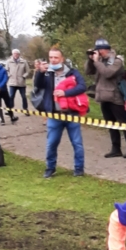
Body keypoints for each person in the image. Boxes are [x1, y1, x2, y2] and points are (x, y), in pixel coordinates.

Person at [32, 48, 86, 177]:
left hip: (72, 114)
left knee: (77, 144)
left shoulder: (72, 72)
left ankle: (79, 169)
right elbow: (38, 85)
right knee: (51, 144)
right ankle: (50, 168)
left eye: (56, 57)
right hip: (54, 115)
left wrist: (65, 93)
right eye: (51, 57)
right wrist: (40, 72)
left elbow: (82, 86)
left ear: (62, 59)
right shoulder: (47, 73)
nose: (53, 60)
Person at [86, 37, 126, 159]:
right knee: (110, 124)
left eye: (100, 49)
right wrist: (90, 60)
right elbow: (89, 71)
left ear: (106, 49)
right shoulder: (99, 61)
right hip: (104, 97)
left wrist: (97, 61)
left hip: (116, 97)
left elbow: (107, 73)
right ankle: (116, 149)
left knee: (124, 123)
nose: (98, 52)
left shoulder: (117, 61)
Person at [0, 56, 18, 124]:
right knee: (8, 103)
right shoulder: (3, 69)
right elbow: (6, 78)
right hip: (3, 89)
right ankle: (12, 117)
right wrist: (0, 86)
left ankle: (2, 120)